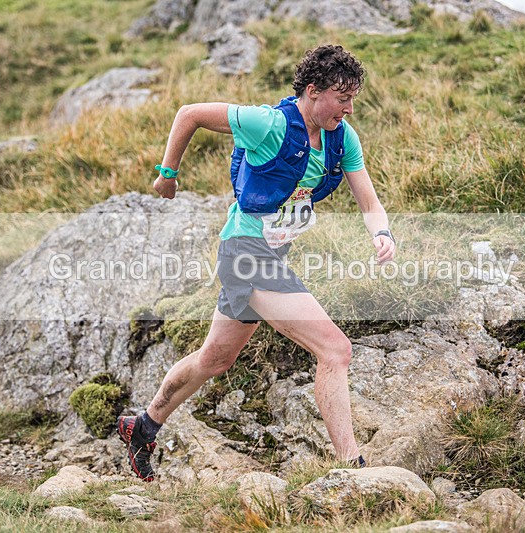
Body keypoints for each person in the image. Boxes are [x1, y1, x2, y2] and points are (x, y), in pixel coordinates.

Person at [117, 44, 396, 481]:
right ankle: (351, 469)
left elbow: (370, 201)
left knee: (214, 359)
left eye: (353, 98)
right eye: (343, 98)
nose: (350, 108)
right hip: (246, 253)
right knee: (335, 350)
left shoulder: (343, 138)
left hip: (266, 253)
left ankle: (143, 425)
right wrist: (167, 175)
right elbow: (189, 113)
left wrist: (381, 233)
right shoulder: (267, 124)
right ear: (313, 91)